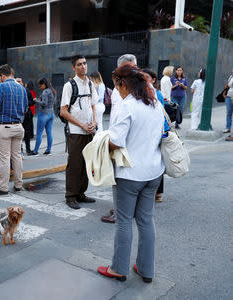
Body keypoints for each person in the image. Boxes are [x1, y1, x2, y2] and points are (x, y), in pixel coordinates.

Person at [97, 63, 164, 284]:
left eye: (117, 87)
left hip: (130, 174)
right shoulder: (154, 104)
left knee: (124, 221)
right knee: (146, 221)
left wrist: (101, 143)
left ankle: (119, 268)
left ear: (124, 84)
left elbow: (116, 142)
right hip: (154, 171)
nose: (117, 91)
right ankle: (146, 269)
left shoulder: (128, 106)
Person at [102, 54, 137, 222]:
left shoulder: (139, 89)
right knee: (116, 177)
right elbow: (115, 114)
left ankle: (120, 212)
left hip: (127, 141)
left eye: (134, 67)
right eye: (129, 68)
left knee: (123, 179)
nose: (133, 71)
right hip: (118, 136)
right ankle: (119, 208)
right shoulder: (118, 88)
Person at [60, 55, 98, 209]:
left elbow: (94, 105)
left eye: (84, 63)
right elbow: (63, 111)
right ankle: (70, 196)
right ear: (73, 68)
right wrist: (82, 125)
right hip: (76, 132)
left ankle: (81, 193)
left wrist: (95, 122)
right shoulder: (69, 86)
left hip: (89, 131)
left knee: (86, 164)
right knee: (74, 165)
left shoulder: (90, 84)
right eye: (79, 64)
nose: (83, 66)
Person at [0, 64, 28, 196]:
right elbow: (25, 109)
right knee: (17, 157)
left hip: (3, 126)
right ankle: (18, 184)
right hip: (18, 126)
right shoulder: (22, 88)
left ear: (2, 75)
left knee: (5, 158)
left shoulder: (1, 86)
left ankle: (3, 187)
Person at [142, 68, 170, 203]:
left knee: (157, 161)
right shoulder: (146, 92)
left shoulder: (156, 93)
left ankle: (158, 192)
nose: (143, 79)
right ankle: (156, 192)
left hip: (158, 132)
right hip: (154, 131)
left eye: (146, 77)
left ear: (153, 80)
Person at [31, 77, 56, 155]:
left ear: (44, 84)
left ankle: (35, 151)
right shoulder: (53, 91)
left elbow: (44, 103)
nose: (40, 87)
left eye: (40, 85)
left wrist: (36, 100)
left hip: (44, 114)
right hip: (51, 113)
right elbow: (53, 102)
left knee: (39, 133)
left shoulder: (45, 92)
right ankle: (48, 150)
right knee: (49, 132)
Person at [17, 78, 34, 155]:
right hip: (17, 115)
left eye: (19, 81)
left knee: (26, 133)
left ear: (22, 83)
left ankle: (28, 149)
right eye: (16, 81)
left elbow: (32, 101)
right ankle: (20, 150)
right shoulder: (14, 91)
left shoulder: (26, 91)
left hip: (26, 115)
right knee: (18, 134)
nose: (18, 83)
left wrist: (26, 104)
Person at [223, 69, 233, 138]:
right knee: (229, 113)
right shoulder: (231, 77)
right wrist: (224, 94)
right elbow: (226, 86)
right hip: (229, 96)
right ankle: (228, 128)